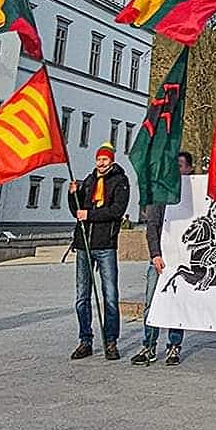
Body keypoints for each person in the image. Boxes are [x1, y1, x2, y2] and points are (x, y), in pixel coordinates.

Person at [131, 151, 194, 368]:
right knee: (151, 303)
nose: (175, 170)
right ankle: (148, 345)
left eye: (180, 166)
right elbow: (152, 225)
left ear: (189, 169)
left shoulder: (193, 196)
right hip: (160, 260)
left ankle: (174, 345)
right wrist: (155, 254)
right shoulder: (161, 193)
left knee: (177, 303)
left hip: (181, 259)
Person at [70, 143, 128, 361]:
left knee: (110, 296)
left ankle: (110, 340)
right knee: (81, 296)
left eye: (104, 160)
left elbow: (116, 211)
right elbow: (77, 212)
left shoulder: (119, 181)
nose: (101, 163)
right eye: (98, 160)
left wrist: (90, 215)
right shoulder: (89, 181)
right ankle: (85, 339)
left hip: (105, 245)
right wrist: (72, 195)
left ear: (111, 160)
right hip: (84, 244)